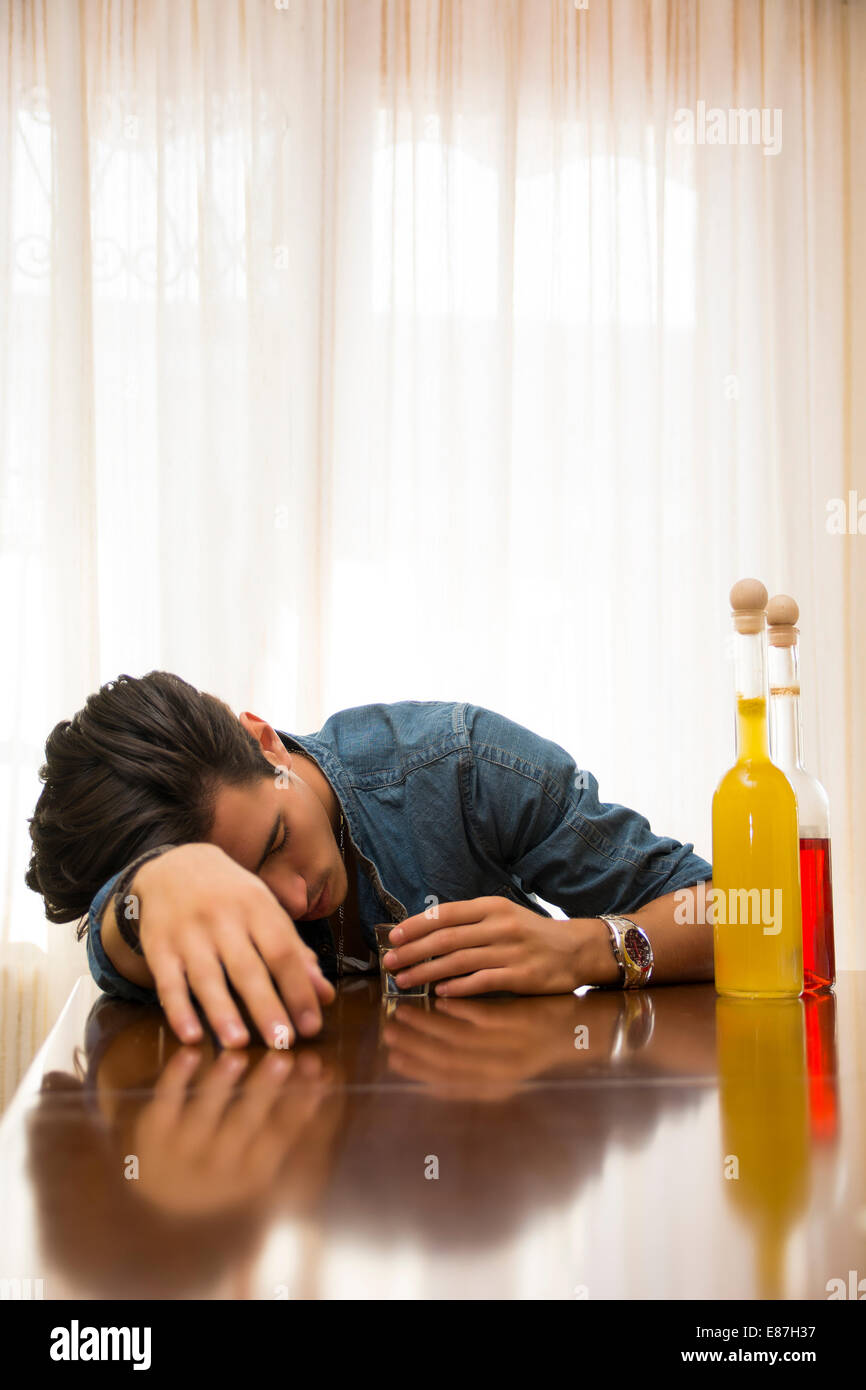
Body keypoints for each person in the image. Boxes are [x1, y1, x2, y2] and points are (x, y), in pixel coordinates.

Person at [26, 671, 714, 1050]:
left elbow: (742, 911)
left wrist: (587, 949)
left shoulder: (458, 765)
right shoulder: (153, 916)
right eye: (241, 888)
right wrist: (149, 892)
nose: (294, 900)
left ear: (264, 743)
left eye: (273, 843)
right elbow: (116, 948)